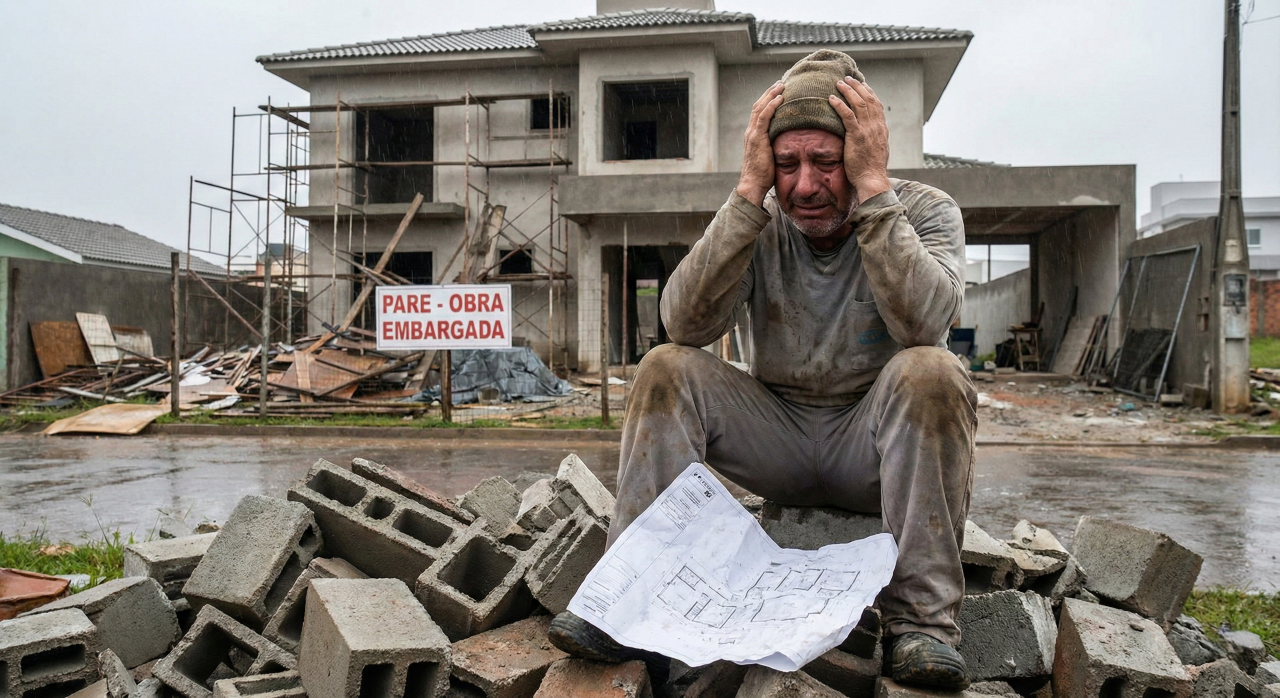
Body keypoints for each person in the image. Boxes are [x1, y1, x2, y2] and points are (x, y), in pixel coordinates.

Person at [549, 49, 977, 691]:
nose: (805, 185)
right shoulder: (762, 216)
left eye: (826, 162)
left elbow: (926, 325)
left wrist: (873, 193)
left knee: (933, 373)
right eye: (786, 164)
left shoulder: (924, 210)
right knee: (666, 367)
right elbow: (684, 324)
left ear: (863, 150)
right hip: (775, 439)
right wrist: (748, 194)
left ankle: (921, 625)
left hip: (872, 449)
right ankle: (632, 601)